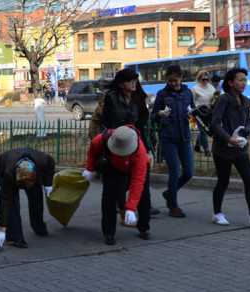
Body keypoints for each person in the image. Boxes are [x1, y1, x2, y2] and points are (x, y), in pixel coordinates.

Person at [91, 68, 159, 219]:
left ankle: (143, 217)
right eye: (130, 81)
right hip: (117, 142)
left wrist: (148, 149)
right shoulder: (110, 98)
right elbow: (106, 123)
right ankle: (121, 207)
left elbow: (142, 125)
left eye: (135, 80)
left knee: (140, 179)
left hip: (136, 144)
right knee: (117, 183)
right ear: (122, 84)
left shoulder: (138, 98)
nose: (134, 83)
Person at [211, 68, 250, 226]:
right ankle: (217, 213)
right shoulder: (224, 99)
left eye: (245, 79)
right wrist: (228, 138)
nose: (243, 83)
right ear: (231, 83)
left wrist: (245, 134)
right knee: (223, 181)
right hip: (223, 149)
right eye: (240, 80)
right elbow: (215, 123)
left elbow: (247, 121)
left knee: (249, 180)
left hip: (240, 149)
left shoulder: (245, 100)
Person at [83, 125, 149, 245]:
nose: (122, 154)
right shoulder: (102, 139)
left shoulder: (140, 154)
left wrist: (131, 208)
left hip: (131, 170)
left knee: (143, 196)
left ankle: (143, 227)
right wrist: (90, 168)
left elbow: (137, 181)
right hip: (112, 168)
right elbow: (92, 150)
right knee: (109, 197)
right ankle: (108, 233)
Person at [151, 64, 194, 218]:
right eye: (170, 81)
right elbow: (153, 116)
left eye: (176, 80)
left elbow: (193, 111)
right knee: (175, 171)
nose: (174, 84)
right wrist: (160, 114)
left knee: (189, 172)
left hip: (184, 137)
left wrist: (192, 115)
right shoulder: (162, 94)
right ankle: (173, 206)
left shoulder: (188, 93)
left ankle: (170, 193)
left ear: (181, 78)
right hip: (168, 138)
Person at [0, 148, 55, 250]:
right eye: (23, 186)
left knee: (36, 197)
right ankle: (14, 238)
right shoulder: (8, 174)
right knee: (12, 203)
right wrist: (2, 230)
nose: (25, 189)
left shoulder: (43, 161)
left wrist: (48, 184)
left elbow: (50, 164)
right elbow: (5, 202)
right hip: (2, 164)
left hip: (28, 169)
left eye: (28, 185)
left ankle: (39, 227)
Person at [191, 70, 216, 156]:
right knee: (203, 130)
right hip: (199, 112)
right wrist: (194, 111)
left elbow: (214, 98)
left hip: (209, 112)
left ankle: (197, 145)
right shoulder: (195, 89)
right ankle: (207, 150)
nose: (205, 81)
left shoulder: (211, 87)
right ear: (199, 79)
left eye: (207, 79)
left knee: (205, 130)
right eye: (203, 79)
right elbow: (192, 101)